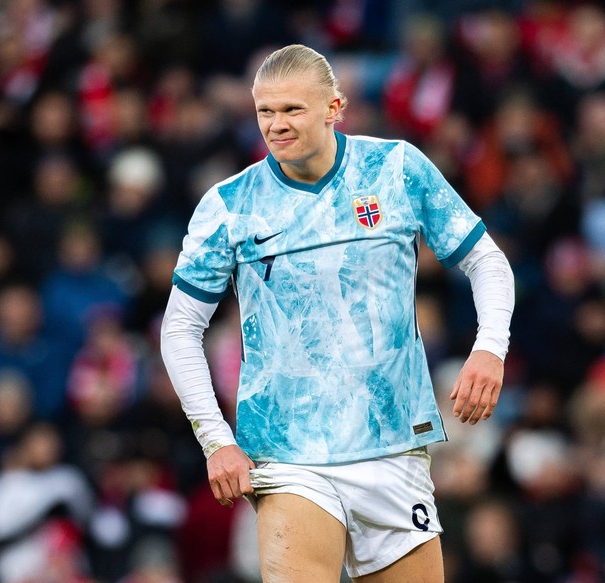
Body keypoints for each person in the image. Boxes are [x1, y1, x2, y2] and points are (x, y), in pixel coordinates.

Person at [160, 44, 515, 582]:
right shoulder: (230, 205)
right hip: (290, 455)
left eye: (292, 110)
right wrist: (217, 439)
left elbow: (486, 261)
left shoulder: (395, 168)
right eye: (265, 112)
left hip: (394, 443)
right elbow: (180, 327)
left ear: (334, 107)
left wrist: (489, 347)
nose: (276, 125)